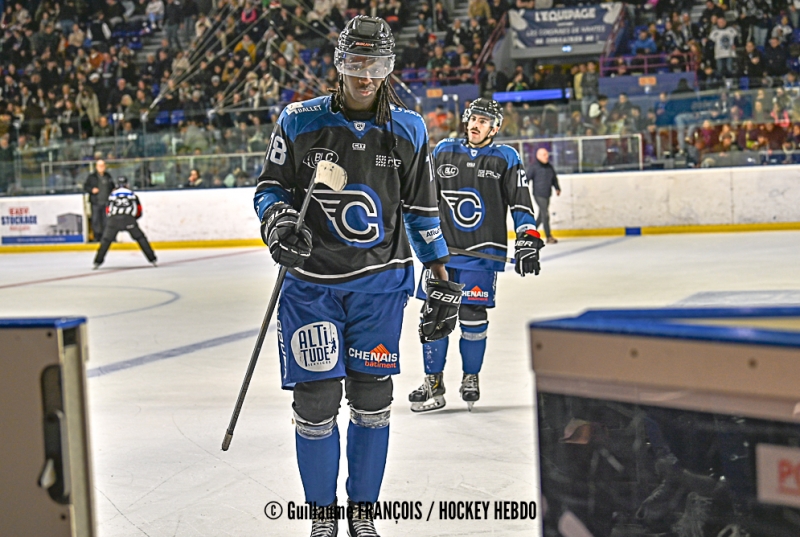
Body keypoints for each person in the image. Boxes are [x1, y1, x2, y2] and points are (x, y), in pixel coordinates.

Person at [252, 16, 458, 537]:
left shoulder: (409, 128)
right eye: (357, 63)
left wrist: (439, 272)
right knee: (316, 401)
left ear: (390, 69)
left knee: (372, 399)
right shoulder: (299, 120)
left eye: (377, 65)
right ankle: (323, 518)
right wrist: (277, 223)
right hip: (310, 288)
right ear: (339, 64)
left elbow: (421, 209)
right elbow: (269, 189)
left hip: (380, 287)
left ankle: (362, 515)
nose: (366, 76)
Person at [408, 98, 543, 413]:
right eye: (472, 118)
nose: (475, 124)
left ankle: (471, 377)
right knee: (434, 317)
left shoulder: (505, 157)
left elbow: (521, 201)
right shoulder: (443, 150)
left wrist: (528, 235)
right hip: (440, 252)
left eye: (483, 121)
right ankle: (433, 380)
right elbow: (421, 193)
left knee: (472, 318)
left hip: (482, 254)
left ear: (495, 128)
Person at [93, 176, 158, 269]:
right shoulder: (132, 195)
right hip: (129, 219)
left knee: (106, 241)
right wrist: (133, 219)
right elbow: (138, 210)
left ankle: (97, 262)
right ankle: (152, 259)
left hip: (114, 220)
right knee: (140, 238)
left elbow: (108, 210)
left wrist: (112, 219)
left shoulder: (112, 195)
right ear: (127, 184)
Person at [527, 148, 561, 244]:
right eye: (544, 155)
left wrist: (557, 188)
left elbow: (554, 178)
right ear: (538, 156)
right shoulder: (534, 167)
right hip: (538, 194)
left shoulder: (549, 167)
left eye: (547, 154)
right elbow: (527, 178)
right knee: (545, 214)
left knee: (541, 216)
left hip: (547, 193)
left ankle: (529, 234)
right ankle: (548, 236)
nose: (547, 156)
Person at [83, 159, 115, 241]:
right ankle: (97, 237)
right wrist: (92, 190)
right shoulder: (92, 177)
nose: (101, 167)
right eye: (100, 166)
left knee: (106, 221)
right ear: (96, 167)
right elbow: (86, 187)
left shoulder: (108, 176)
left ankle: (106, 236)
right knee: (96, 220)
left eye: (103, 165)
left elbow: (112, 186)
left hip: (106, 202)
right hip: (96, 202)